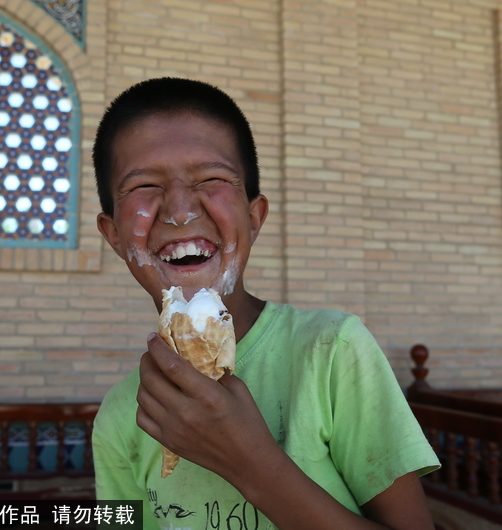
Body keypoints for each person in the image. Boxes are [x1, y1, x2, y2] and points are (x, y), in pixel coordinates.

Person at [91, 77, 440, 530]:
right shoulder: (124, 413)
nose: (178, 210)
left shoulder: (332, 351)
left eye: (211, 179)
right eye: (144, 186)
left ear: (253, 217)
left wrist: (250, 464)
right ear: (114, 235)